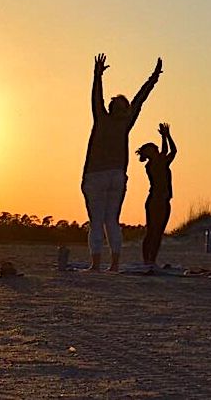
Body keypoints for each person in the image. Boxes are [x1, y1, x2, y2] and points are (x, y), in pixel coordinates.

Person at [82, 53, 162, 271]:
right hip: (117, 175)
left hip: (96, 175)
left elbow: (96, 98)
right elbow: (140, 99)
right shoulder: (125, 123)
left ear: (110, 108)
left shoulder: (102, 119)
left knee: (97, 221)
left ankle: (96, 263)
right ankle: (114, 264)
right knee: (112, 220)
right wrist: (153, 79)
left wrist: (97, 76)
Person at [136, 123, 177, 267]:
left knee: (156, 232)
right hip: (156, 200)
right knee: (153, 231)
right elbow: (171, 151)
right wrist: (166, 136)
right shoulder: (155, 164)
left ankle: (150, 260)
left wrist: (165, 137)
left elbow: (169, 151)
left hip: (161, 200)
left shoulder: (159, 162)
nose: (158, 149)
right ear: (150, 153)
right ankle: (148, 260)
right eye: (155, 149)